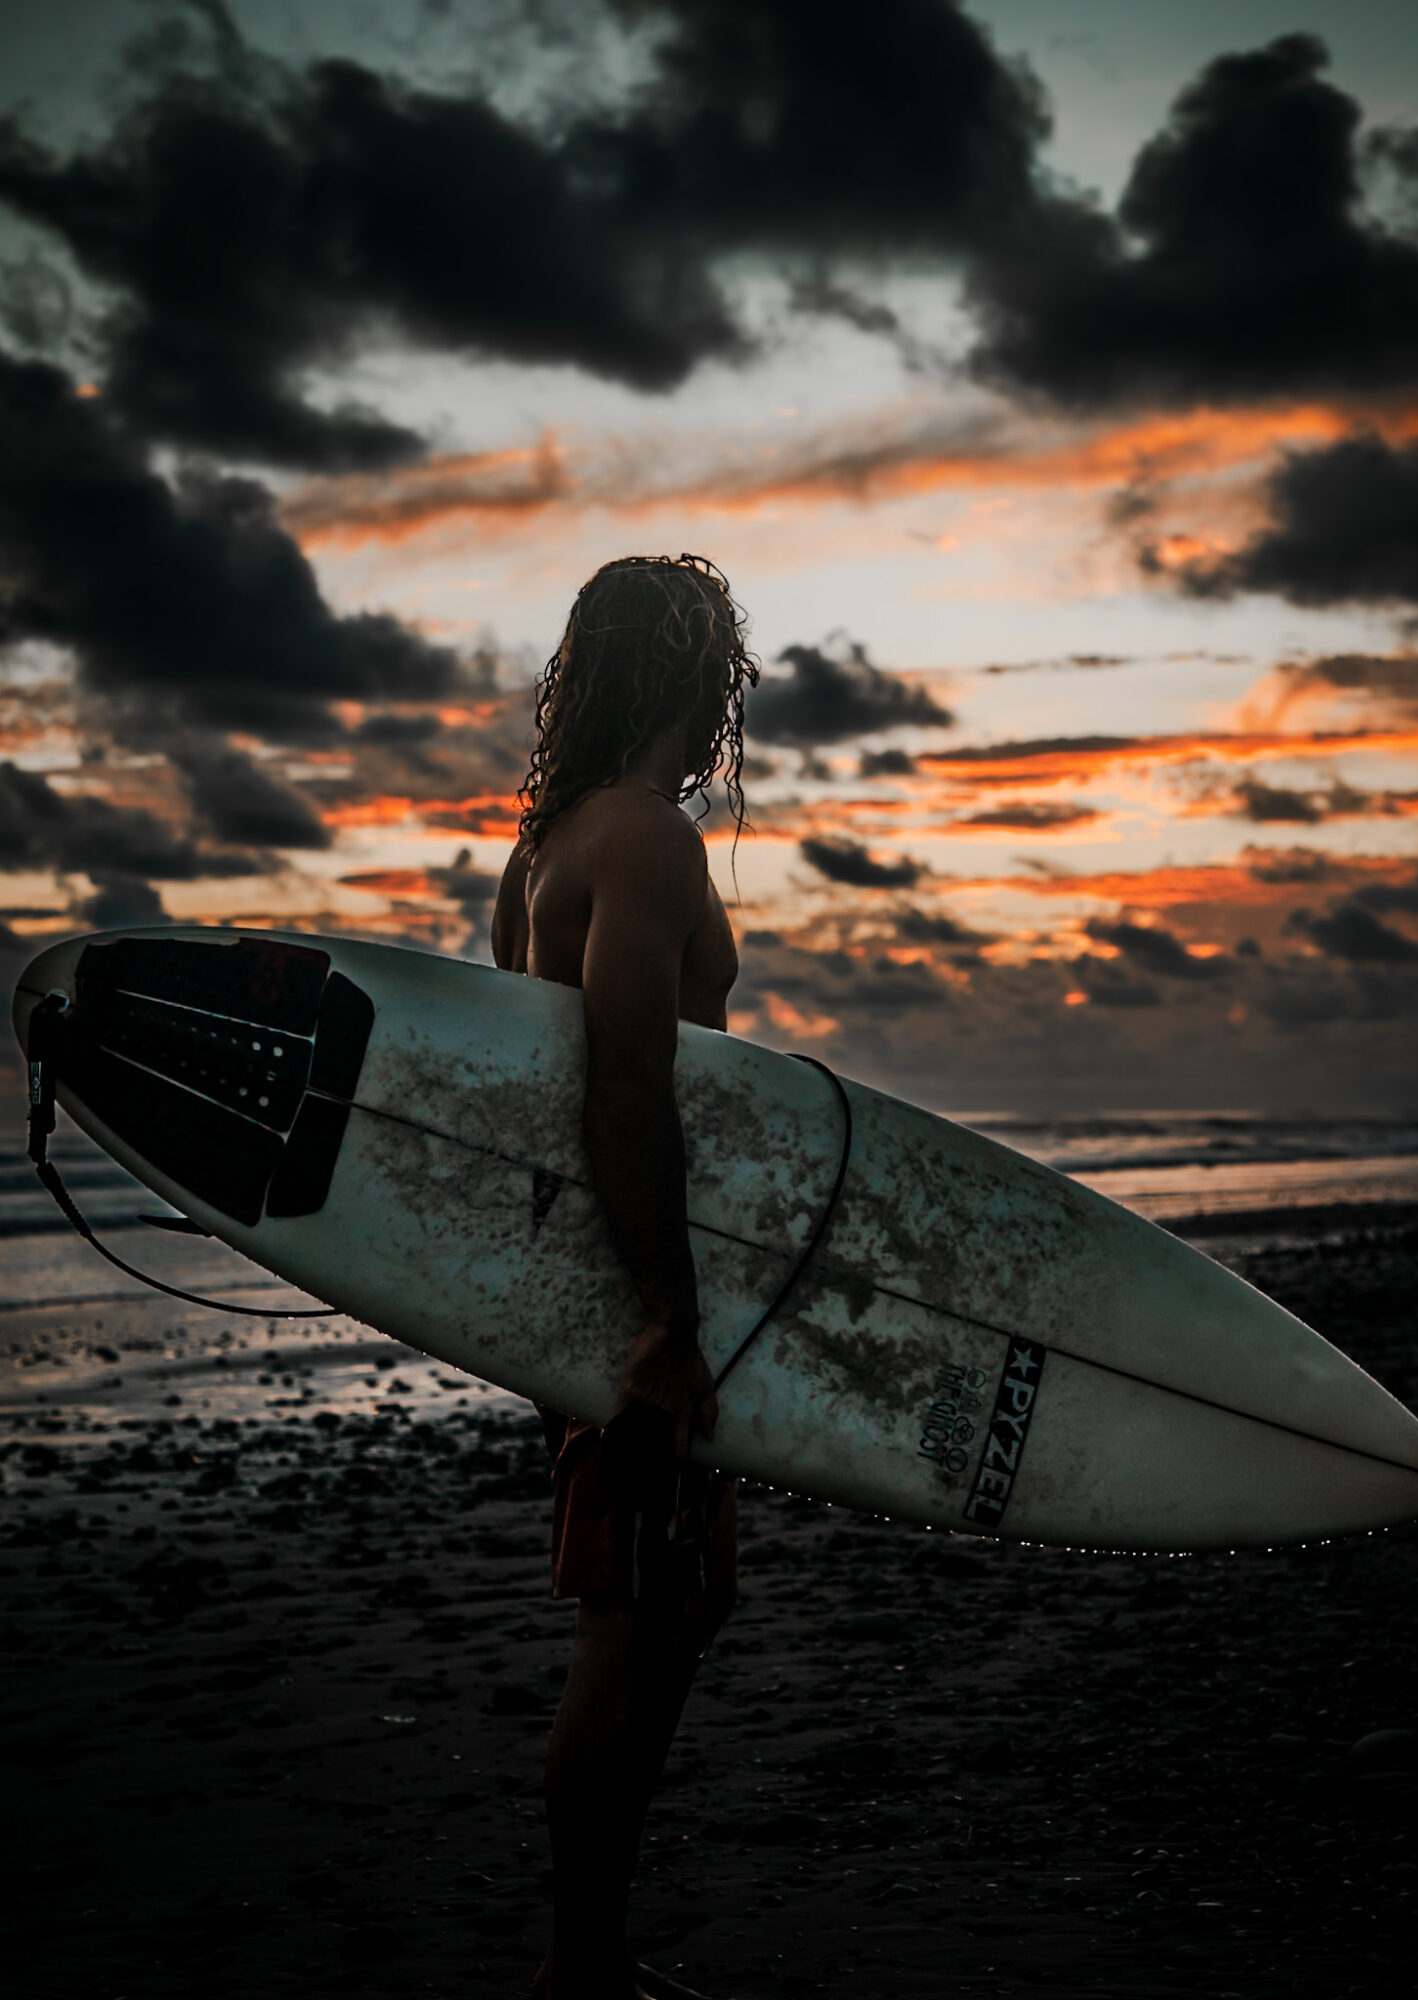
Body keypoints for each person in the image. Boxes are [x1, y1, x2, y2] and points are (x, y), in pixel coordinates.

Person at [491, 554, 759, 2000]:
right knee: (636, 1608)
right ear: (702, 677)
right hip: (628, 1285)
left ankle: (589, 1951)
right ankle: (579, 1967)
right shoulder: (648, 844)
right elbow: (623, 1084)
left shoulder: (539, 851)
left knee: (676, 1599)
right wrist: (666, 1318)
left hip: (579, 1271)